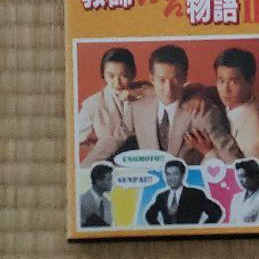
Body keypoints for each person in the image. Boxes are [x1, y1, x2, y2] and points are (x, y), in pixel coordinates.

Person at [106, 44, 242, 166]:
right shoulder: (137, 109)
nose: (168, 88)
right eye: (162, 80)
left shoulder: (202, 113)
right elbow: (113, 140)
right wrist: (91, 165)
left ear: (184, 78)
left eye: (175, 79)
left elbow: (231, 155)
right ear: (152, 79)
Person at [77, 46, 137, 160]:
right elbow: (76, 138)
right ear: (103, 74)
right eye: (111, 76)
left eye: (124, 75)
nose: (117, 83)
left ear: (133, 73)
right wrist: (100, 150)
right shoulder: (92, 104)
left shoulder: (145, 95)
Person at [145, 159, 224, 225]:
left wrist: (202, 229)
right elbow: (149, 215)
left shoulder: (195, 194)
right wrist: (160, 230)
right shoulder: (161, 196)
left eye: (175, 174)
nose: (171, 178)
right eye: (168, 174)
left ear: (182, 175)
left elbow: (216, 212)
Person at [229, 159, 259, 224]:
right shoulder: (236, 198)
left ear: (254, 176)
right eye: (239, 177)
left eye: (243, 176)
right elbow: (231, 222)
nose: (240, 180)